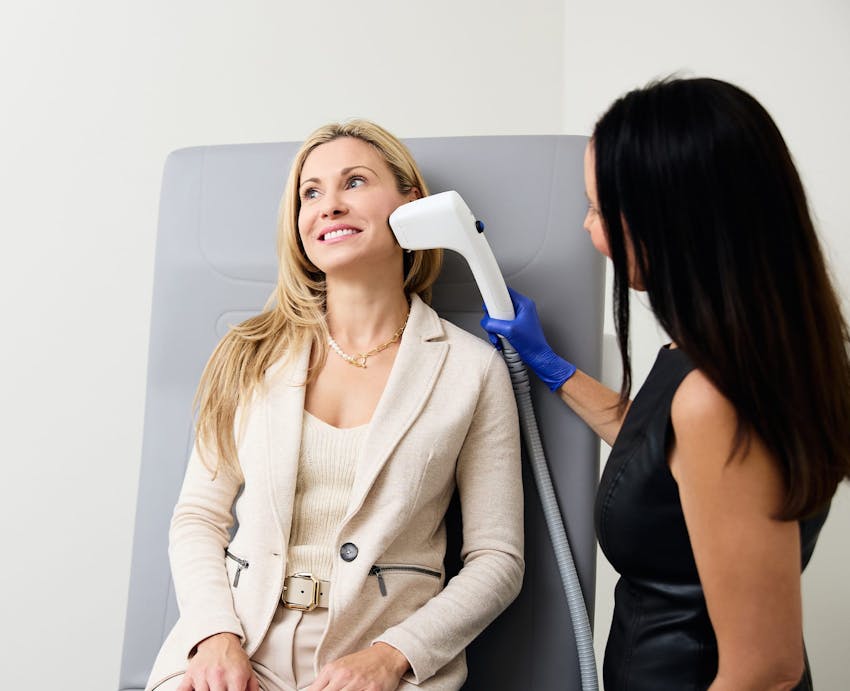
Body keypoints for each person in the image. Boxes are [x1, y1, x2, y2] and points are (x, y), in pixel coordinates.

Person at [482, 77, 850, 690]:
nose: (588, 228)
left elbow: (765, 673)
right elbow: (662, 454)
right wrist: (550, 365)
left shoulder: (721, 399)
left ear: (671, 221)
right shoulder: (734, 352)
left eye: (600, 209)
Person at [145, 120, 524, 691]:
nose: (330, 205)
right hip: (236, 652)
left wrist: (394, 655)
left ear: (412, 207)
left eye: (355, 181)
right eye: (311, 192)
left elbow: (498, 560)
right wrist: (213, 635)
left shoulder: (471, 369)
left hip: (383, 665)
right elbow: (197, 517)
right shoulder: (249, 353)